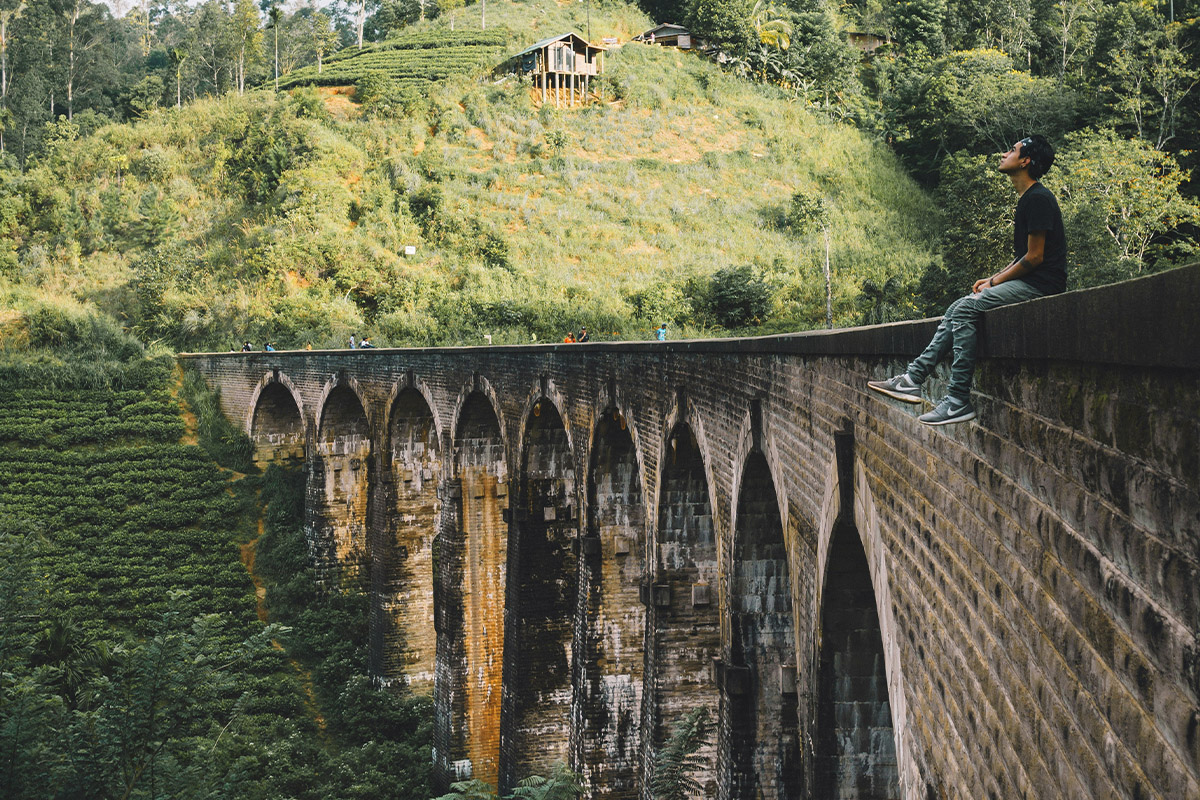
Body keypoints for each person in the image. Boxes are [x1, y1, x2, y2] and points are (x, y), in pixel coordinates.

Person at [868, 135, 1066, 425]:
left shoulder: (1038, 199)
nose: (1004, 154)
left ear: (1025, 161)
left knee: (963, 309)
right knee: (959, 306)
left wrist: (996, 283)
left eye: (1012, 150)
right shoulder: (1029, 199)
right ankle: (913, 377)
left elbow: (1035, 258)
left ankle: (958, 399)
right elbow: (1024, 255)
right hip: (1032, 282)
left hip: (1042, 286)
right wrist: (993, 278)